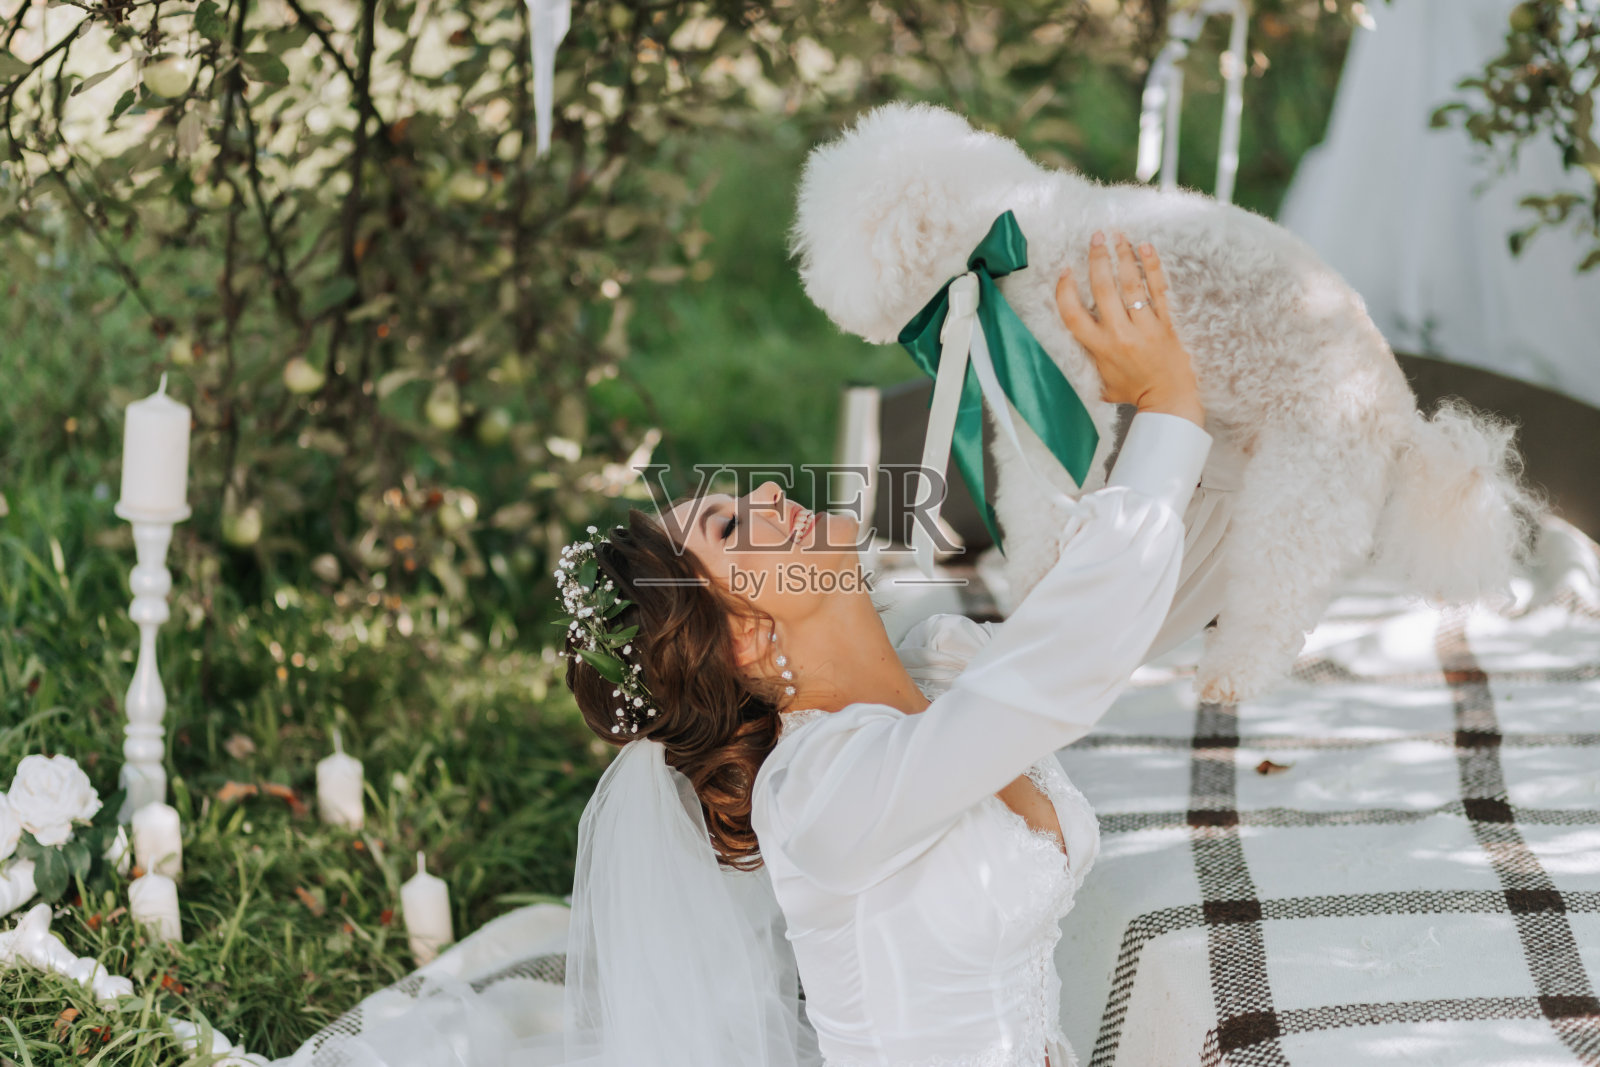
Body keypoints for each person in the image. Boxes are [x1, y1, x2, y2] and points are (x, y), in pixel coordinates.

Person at [273, 232, 1212, 1067]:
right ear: (744, 635)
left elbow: (1100, 622)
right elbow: (1068, 660)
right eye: (731, 523)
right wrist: (1168, 410)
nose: (769, 494)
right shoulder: (820, 793)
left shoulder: (943, 661)